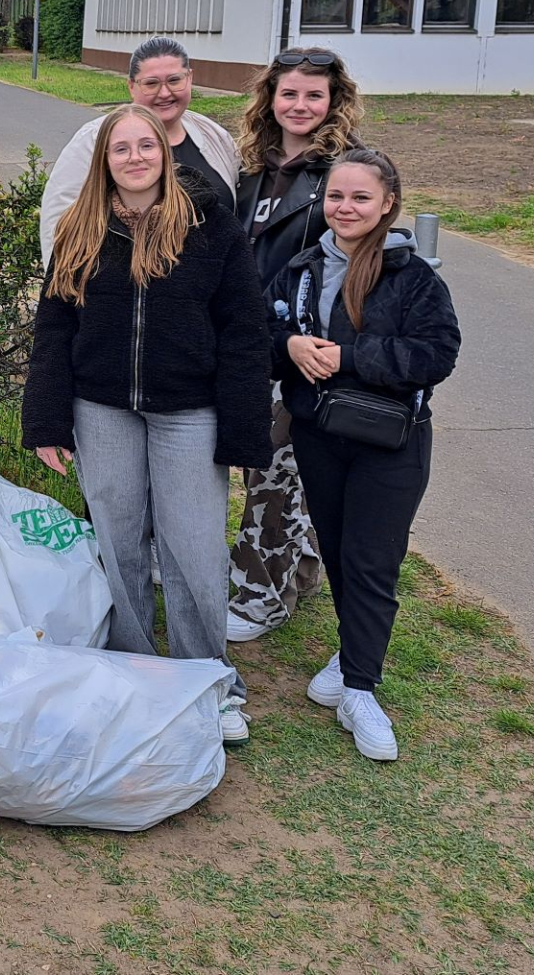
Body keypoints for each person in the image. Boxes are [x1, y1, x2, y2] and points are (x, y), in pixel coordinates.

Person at [21, 104, 272, 744]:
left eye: (146, 146)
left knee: (193, 546)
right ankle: (134, 665)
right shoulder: (82, 227)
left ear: (165, 152)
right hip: (101, 409)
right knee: (119, 537)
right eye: (120, 149)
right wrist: (48, 418)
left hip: (190, 413)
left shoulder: (209, 224)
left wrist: (244, 429)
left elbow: (245, 329)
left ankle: (209, 680)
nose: (135, 158)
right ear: (104, 161)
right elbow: (54, 327)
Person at [268, 149, 459, 761]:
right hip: (320, 437)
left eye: (359, 198)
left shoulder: (413, 278)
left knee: (373, 561)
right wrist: (291, 344)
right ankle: (354, 653)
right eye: (335, 197)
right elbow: (258, 334)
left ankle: (360, 689)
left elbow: (434, 356)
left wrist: (348, 359)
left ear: (387, 205)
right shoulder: (299, 270)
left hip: (389, 442)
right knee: (342, 555)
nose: (344, 208)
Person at [225, 47, 366, 644]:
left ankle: (261, 594)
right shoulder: (249, 165)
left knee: (274, 469)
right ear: (270, 99)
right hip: (239, 338)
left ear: (334, 102)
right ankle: (299, 568)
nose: (301, 105)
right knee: (266, 462)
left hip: (301, 347)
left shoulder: (343, 170)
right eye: (290, 93)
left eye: (315, 95)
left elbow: (358, 259)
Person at [38, 36, 239, 267]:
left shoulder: (215, 136)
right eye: (151, 83)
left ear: (190, 78)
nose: (164, 93)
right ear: (132, 86)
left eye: (174, 80)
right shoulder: (93, 140)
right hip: (123, 293)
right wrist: (59, 286)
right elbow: (60, 218)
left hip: (211, 292)